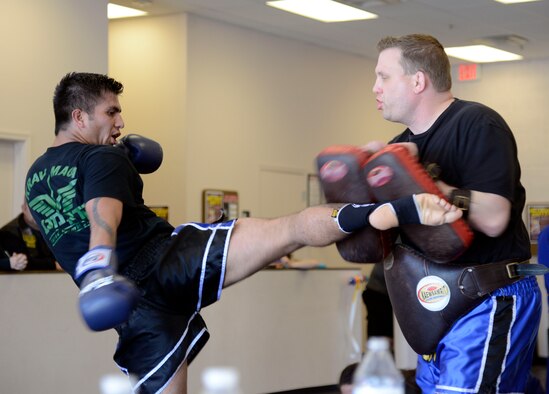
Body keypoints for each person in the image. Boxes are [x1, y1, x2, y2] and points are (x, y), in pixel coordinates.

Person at [24, 72, 463, 394]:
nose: (120, 123)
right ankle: (391, 209)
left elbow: (43, 221)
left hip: (131, 305)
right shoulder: (103, 160)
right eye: (111, 111)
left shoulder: (33, 177)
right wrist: (99, 262)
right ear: (79, 116)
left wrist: (90, 276)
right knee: (286, 229)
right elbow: (104, 211)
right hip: (170, 259)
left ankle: (389, 210)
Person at [371, 34, 540, 393]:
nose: (375, 88)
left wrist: (426, 182)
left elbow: (495, 218)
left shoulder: (476, 123)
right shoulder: (399, 147)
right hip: (434, 304)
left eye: (384, 76)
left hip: (489, 296)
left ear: (418, 81)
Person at [0, 200, 59, 271]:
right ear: (24, 208)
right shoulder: (9, 232)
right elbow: (24, 262)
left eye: (43, 209)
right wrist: (53, 265)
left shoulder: (55, 228)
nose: (38, 213)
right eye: (34, 208)